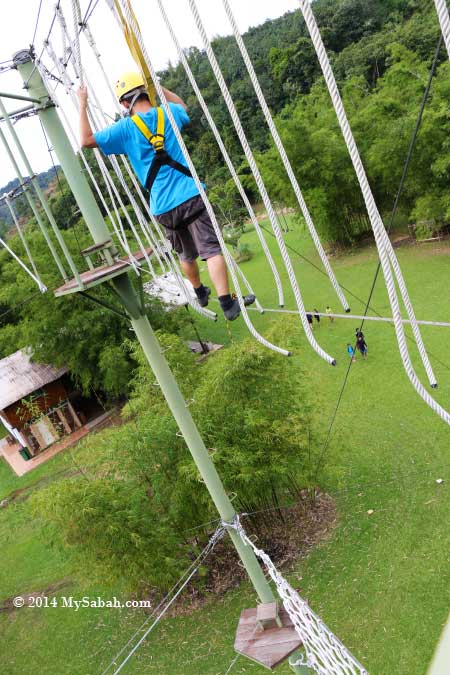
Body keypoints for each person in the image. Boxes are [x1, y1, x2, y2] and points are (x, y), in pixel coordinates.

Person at [77, 73, 255, 321]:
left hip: (162, 207)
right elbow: (183, 105)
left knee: (185, 254)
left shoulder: (124, 130)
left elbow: (85, 140)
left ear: (125, 104)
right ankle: (227, 304)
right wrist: (159, 86)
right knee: (211, 249)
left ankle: (199, 291)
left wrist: (82, 102)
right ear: (146, 92)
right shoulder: (169, 112)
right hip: (191, 195)